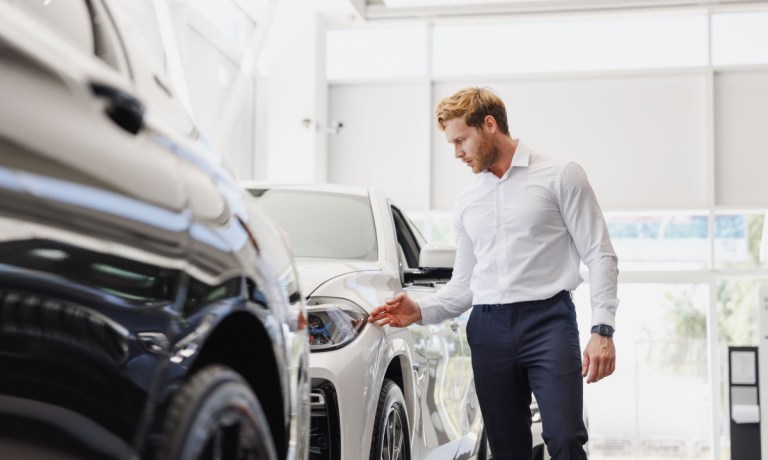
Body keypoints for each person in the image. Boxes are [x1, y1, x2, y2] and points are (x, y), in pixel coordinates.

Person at [368, 87, 619, 460]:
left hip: (549, 321)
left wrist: (603, 330)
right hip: (488, 328)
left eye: (461, 140)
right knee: (506, 449)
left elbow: (600, 254)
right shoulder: (467, 202)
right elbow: (464, 287)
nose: (457, 153)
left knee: (566, 438)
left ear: (489, 125)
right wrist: (419, 309)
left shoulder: (561, 175)